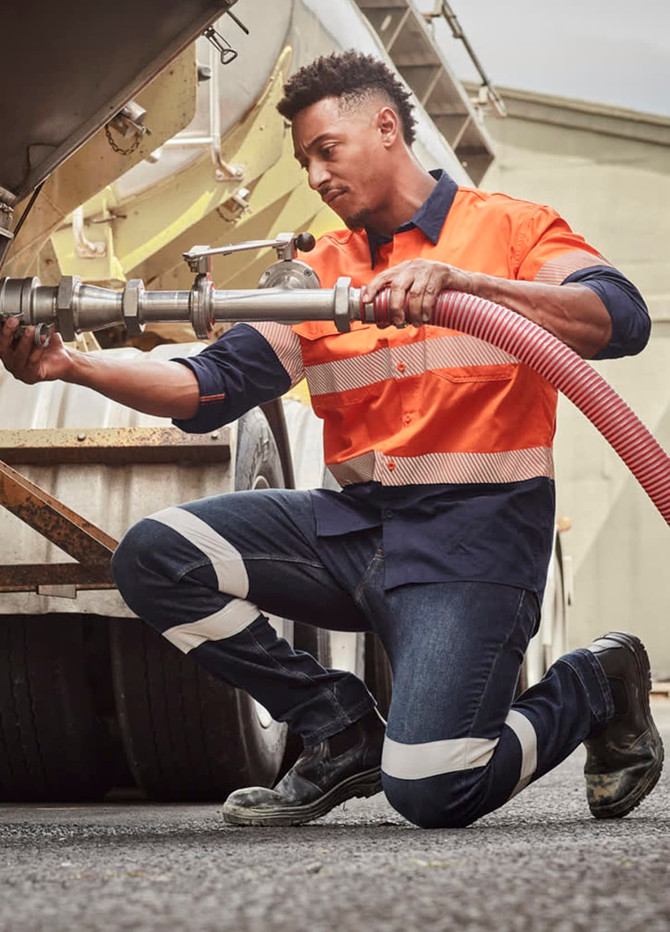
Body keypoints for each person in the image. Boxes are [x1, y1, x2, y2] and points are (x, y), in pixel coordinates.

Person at [0, 51, 661, 829]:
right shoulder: (322, 273)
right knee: (154, 553)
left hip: (474, 546)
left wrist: (471, 286)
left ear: (386, 127)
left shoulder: (508, 231)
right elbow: (208, 388)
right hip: (356, 533)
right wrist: (69, 364)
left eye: (326, 151)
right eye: (304, 161)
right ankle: (339, 727)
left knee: (431, 791)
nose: (314, 176)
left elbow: (619, 317)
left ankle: (595, 680)